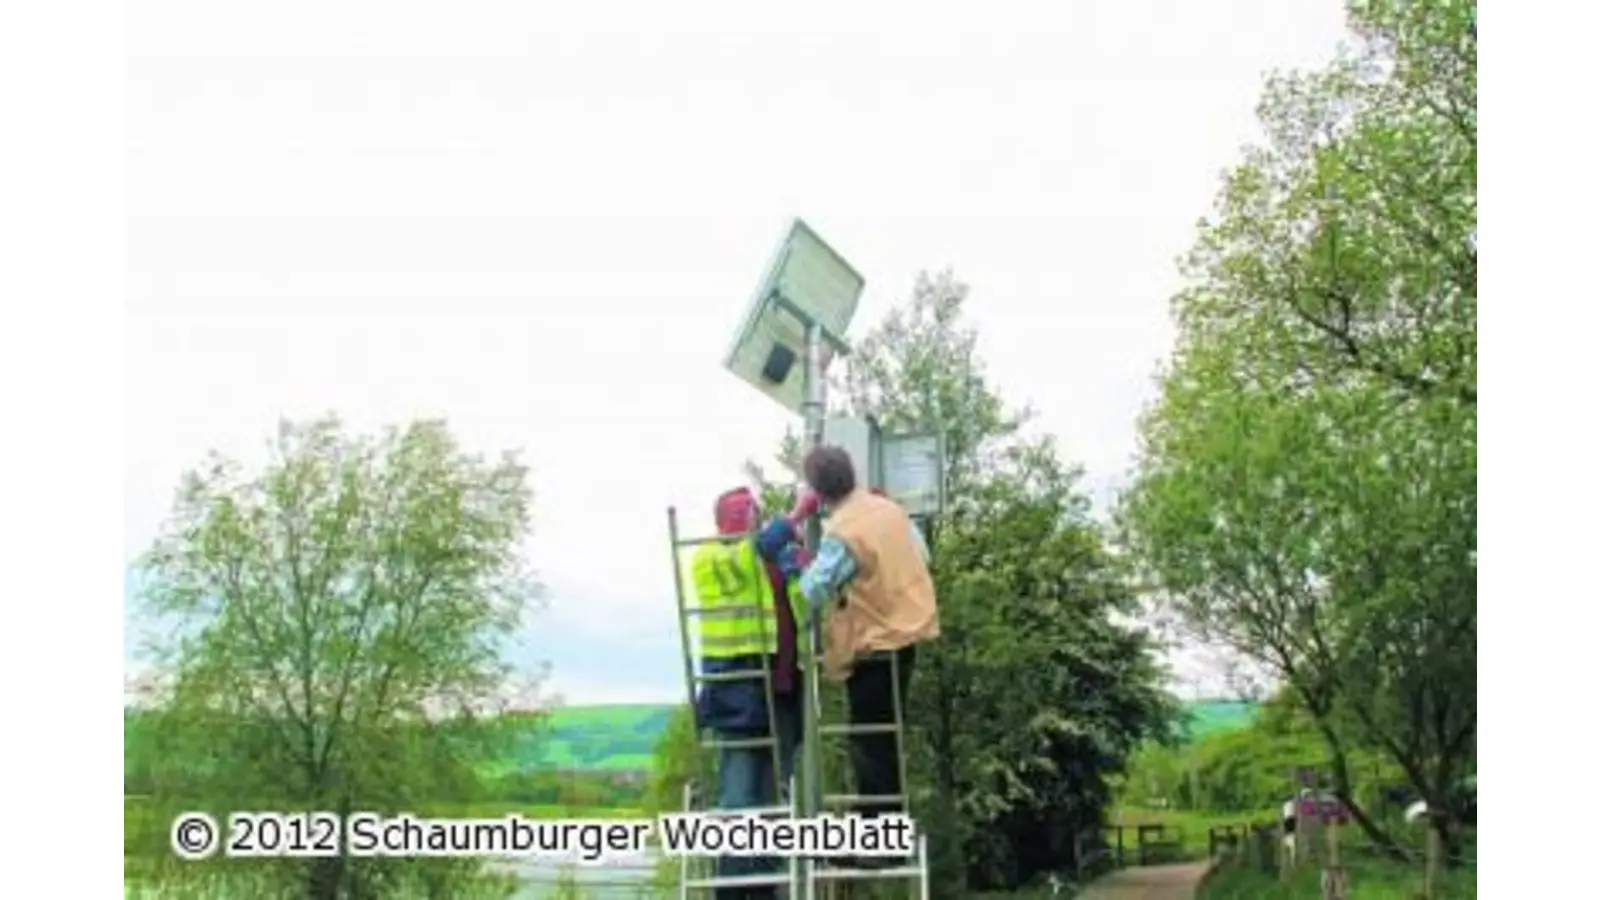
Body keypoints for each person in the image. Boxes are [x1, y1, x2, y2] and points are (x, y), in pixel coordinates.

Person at [755, 446, 939, 839]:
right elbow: (919, 553)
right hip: (909, 634)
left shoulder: (844, 530)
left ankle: (880, 841)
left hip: (873, 643)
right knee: (885, 741)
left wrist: (791, 562)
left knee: (870, 745)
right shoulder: (889, 510)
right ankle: (883, 832)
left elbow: (814, 589)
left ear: (818, 492)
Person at [688, 486, 812, 898]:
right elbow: (757, 548)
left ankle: (764, 890)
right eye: (752, 513)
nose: (756, 520)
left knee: (773, 798)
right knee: (739, 796)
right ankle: (732, 890)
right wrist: (797, 512)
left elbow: (802, 612)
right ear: (737, 518)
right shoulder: (712, 556)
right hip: (738, 690)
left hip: (780, 690)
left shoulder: (767, 556)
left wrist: (798, 573)